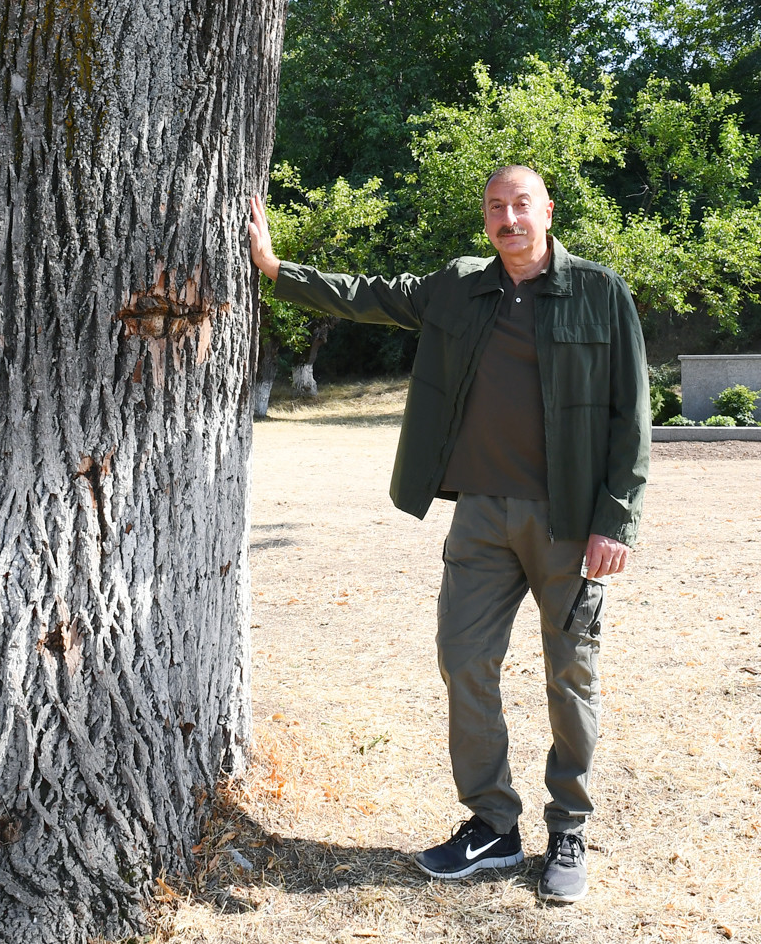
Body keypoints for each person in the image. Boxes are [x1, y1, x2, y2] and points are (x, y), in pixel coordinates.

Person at [245, 165, 650, 904]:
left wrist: (614, 520)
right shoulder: (459, 285)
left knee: (571, 674)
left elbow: (632, 413)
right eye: (496, 207)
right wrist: (276, 269)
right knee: (463, 661)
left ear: (547, 210)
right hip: (481, 516)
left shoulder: (599, 291)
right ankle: (493, 823)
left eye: (520, 204)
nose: (508, 219)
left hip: (567, 522)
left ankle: (569, 827)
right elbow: (369, 294)